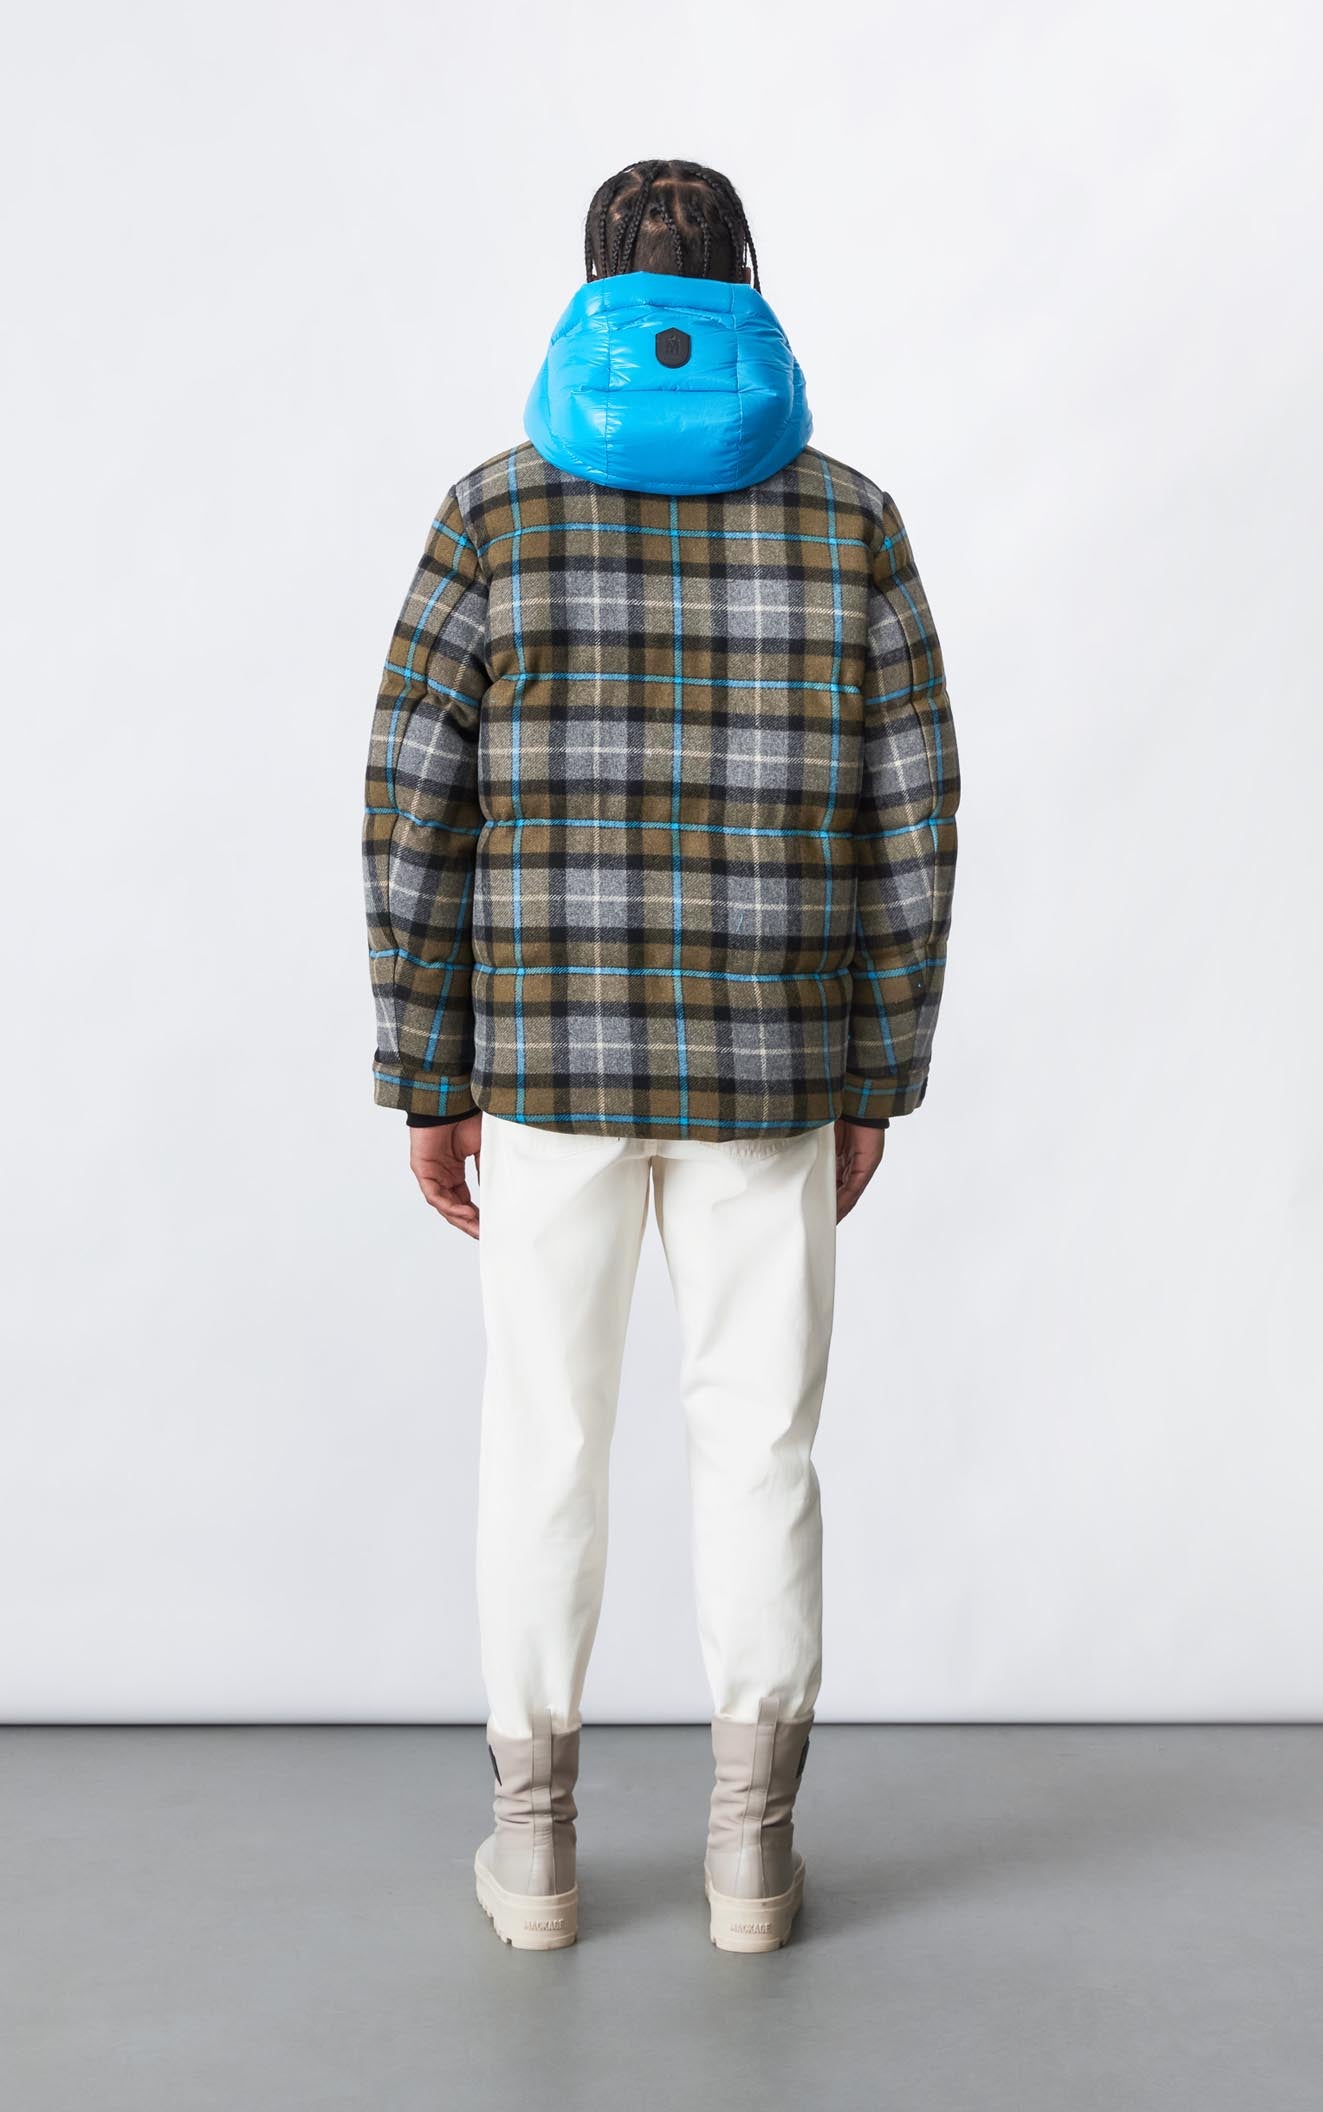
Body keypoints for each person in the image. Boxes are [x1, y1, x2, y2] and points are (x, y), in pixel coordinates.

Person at [362, 159, 960, 1953]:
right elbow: (916, 818)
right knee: (760, 1446)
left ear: (590, 289)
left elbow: (412, 806)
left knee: (544, 1442)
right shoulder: (852, 522)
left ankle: (536, 1855)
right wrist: (875, 1072)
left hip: (546, 1068)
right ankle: (750, 1860)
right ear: (750, 283)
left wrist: (430, 1070)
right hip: (770, 1072)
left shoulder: (494, 512)